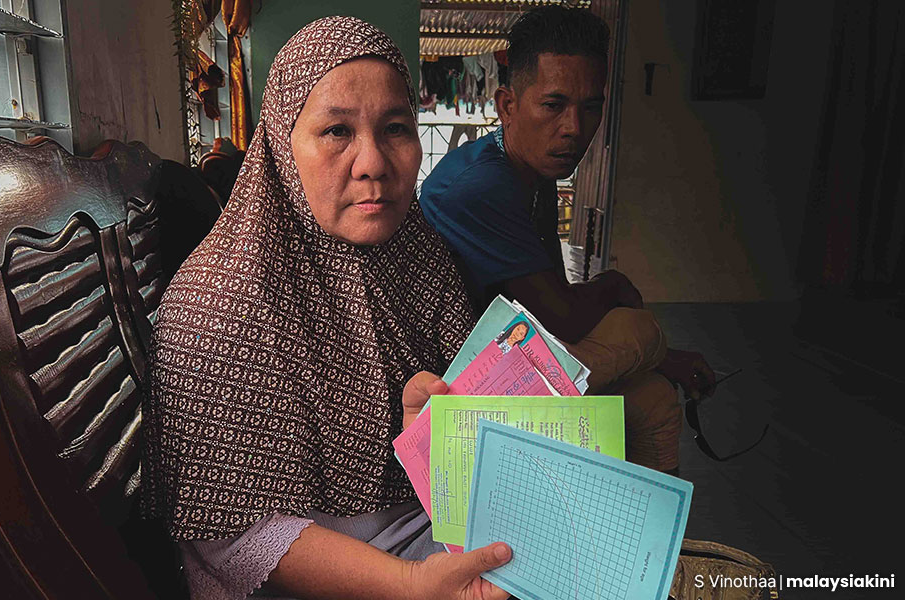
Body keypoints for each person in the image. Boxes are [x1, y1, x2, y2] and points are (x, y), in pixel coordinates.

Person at [142, 16, 513, 600]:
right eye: (336, 131)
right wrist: (408, 582)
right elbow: (231, 537)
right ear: (281, 147)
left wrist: (435, 433)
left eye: (395, 128)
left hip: (429, 527)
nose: (373, 163)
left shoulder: (417, 257)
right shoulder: (219, 306)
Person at [419, 5, 715, 473]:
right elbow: (565, 317)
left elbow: (554, 310)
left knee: (655, 401)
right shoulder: (479, 185)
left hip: (519, 353)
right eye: (553, 105)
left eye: (590, 106)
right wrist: (614, 286)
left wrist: (665, 362)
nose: (575, 129)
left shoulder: (530, 170)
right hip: (464, 389)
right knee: (638, 330)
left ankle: (649, 541)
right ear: (507, 106)